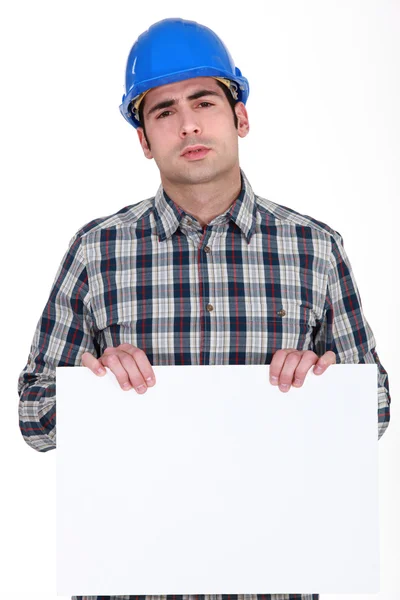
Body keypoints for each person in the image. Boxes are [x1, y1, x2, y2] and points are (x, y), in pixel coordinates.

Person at [18, 17, 391, 600]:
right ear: (144, 139)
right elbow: (33, 419)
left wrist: (323, 385)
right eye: (162, 111)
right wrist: (90, 389)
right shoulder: (97, 251)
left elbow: (374, 410)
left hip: (274, 579)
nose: (187, 122)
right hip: (130, 580)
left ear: (240, 116)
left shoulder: (315, 249)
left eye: (203, 101)